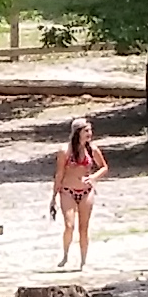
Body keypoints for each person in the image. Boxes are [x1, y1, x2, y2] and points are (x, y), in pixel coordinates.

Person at [49, 117, 107, 275]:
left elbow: (104, 167)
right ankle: (66, 254)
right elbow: (59, 173)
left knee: (84, 228)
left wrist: (94, 177)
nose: (90, 133)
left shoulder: (92, 149)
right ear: (77, 132)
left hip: (86, 191)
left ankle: (83, 261)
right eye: (86, 130)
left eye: (90, 130)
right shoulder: (65, 151)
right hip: (67, 190)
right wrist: (54, 196)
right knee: (69, 225)